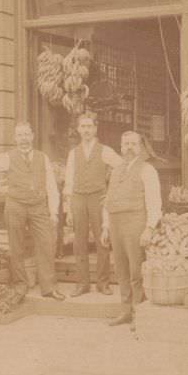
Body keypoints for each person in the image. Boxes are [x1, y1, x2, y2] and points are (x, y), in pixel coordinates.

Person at [0, 122, 64, 302]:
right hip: (15, 205)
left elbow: (51, 186)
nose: (23, 139)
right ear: (14, 138)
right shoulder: (7, 157)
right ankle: (20, 286)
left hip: (38, 206)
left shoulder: (43, 158)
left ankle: (49, 287)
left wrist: (54, 212)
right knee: (16, 246)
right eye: (20, 135)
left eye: (26, 135)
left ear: (32, 136)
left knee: (46, 243)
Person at [100, 131, 162, 330]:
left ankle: (138, 312)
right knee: (121, 270)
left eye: (133, 144)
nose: (128, 148)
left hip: (135, 223)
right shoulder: (115, 170)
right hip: (116, 224)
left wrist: (150, 228)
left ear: (140, 147)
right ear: (120, 146)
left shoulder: (147, 170)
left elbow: (154, 201)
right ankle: (125, 310)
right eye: (125, 144)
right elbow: (108, 201)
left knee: (136, 270)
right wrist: (105, 227)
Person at [63, 112, 123, 297]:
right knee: (79, 242)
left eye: (90, 126)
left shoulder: (104, 150)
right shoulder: (73, 153)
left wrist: (111, 191)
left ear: (95, 128)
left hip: (99, 198)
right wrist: (68, 209)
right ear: (78, 130)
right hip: (79, 198)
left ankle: (103, 283)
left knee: (102, 240)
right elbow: (69, 181)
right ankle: (82, 284)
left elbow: (121, 167)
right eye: (83, 127)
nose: (87, 130)